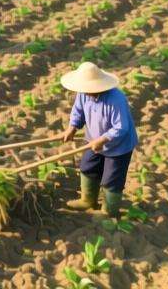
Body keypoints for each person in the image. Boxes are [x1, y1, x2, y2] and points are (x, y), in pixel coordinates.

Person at [60, 61, 139, 218]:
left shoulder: (116, 99)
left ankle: (109, 211)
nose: (86, 92)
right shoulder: (83, 94)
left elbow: (121, 127)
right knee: (88, 167)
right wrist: (72, 128)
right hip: (93, 140)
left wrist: (103, 140)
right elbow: (78, 111)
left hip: (118, 146)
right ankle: (88, 201)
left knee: (112, 179)